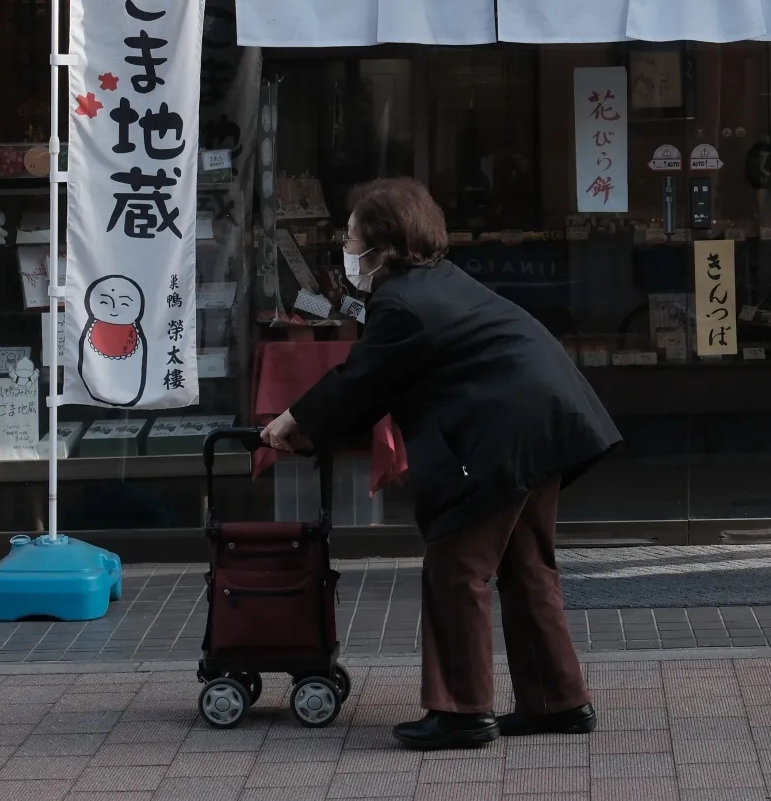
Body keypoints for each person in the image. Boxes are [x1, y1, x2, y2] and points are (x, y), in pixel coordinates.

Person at [261, 177, 621, 751]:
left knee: (457, 568)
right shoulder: (438, 284)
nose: (345, 250)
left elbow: (360, 383)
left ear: (383, 245)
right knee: (526, 566)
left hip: (504, 434)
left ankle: (461, 713)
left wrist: (292, 422)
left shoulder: (401, 303)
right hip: (546, 422)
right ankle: (558, 700)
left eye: (350, 238)